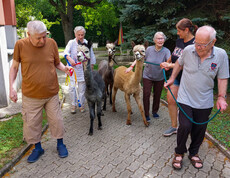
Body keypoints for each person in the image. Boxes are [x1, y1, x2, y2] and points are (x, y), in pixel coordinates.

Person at [165, 25, 229, 170]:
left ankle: (193, 153)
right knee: (185, 126)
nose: (198, 47)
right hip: (185, 97)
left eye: (202, 45)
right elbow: (178, 64)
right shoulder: (188, 50)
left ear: (213, 42)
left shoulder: (221, 55)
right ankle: (179, 152)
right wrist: (172, 78)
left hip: (204, 100)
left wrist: (221, 97)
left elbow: (223, 78)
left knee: (200, 129)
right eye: (196, 43)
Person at [9, 20, 70, 163]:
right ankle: (38, 148)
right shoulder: (20, 45)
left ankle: (60, 144)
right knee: (32, 124)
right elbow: (15, 67)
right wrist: (11, 87)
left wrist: (64, 68)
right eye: (39, 37)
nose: (43, 40)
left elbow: (56, 63)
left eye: (45, 36)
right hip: (31, 95)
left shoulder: (52, 43)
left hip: (51, 93)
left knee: (57, 120)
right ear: (29, 34)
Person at [160, 18, 198, 136]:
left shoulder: (195, 44)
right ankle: (174, 127)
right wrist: (168, 62)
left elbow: (186, 63)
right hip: (175, 75)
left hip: (188, 78)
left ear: (186, 30)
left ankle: (188, 127)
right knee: (171, 99)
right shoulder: (179, 41)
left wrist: (170, 65)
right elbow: (175, 54)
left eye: (179, 30)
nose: (177, 33)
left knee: (186, 103)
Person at [125, 32, 171, 122]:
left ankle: (154, 111)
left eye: (162, 38)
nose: (160, 40)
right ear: (154, 40)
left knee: (157, 95)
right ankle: (146, 114)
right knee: (146, 94)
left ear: (164, 40)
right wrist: (131, 66)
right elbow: (139, 58)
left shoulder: (166, 51)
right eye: (158, 38)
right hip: (147, 76)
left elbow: (168, 63)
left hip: (159, 77)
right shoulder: (149, 49)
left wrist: (167, 66)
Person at [64, 26, 96, 114]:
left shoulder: (86, 43)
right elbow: (66, 53)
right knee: (72, 88)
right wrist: (70, 60)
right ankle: (73, 105)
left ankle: (81, 104)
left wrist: (91, 67)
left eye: (82, 35)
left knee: (82, 88)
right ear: (75, 34)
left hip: (83, 69)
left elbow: (92, 55)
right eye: (79, 35)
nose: (81, 37)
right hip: (72, 69)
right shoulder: (71, 43)